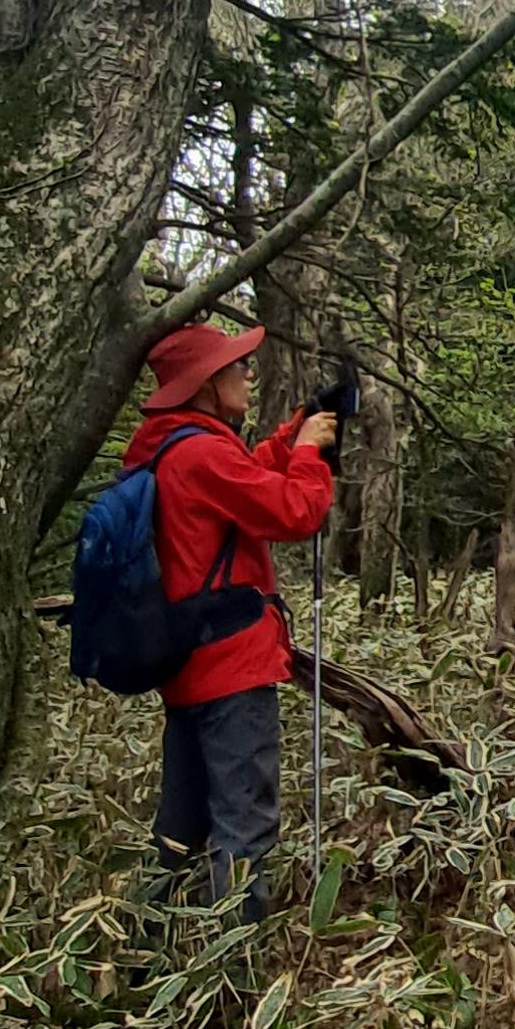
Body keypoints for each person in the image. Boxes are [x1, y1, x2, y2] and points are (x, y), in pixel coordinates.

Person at [122, 322, 339, 912]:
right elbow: (294, 512)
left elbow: (242, 481)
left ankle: (141, 954)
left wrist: (290, 439)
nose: (247, 373)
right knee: (245, 829)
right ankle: (236, 979)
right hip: (233, 667)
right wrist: (310, 457)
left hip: (187, 662)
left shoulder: (165, 446)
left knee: (180, 832)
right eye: (235, 366)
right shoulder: (201, 452)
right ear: (204, 384)